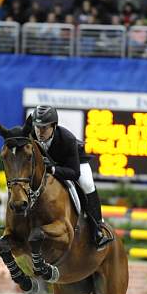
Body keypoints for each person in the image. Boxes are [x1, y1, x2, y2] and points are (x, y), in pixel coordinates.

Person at [28, 105, 113, 251]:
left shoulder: (67, 139)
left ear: (54, 126)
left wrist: (53, 169)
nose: (39, 132)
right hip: (52, 166)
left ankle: (98, 228)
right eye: (37, 127)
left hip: (74, 164)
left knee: (86, 183)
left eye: (44, 128)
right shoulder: (31, 136)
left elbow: (74, 173)